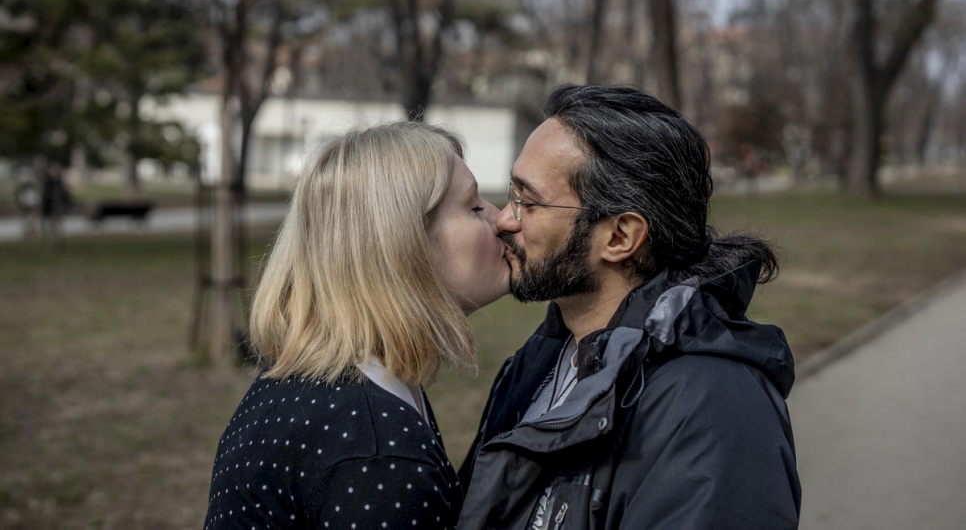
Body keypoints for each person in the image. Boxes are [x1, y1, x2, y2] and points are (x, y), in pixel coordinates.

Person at [458, 85, 801, 529]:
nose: (505, 219)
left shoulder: (714, 415)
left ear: (620, 237)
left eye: (529, 202)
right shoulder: (540, 360)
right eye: (512, 193)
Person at [204, 122, 509, 529]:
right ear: (403, 247)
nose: (503, 218)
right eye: (474, 207)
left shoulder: (311, 384)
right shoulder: (377, 451)